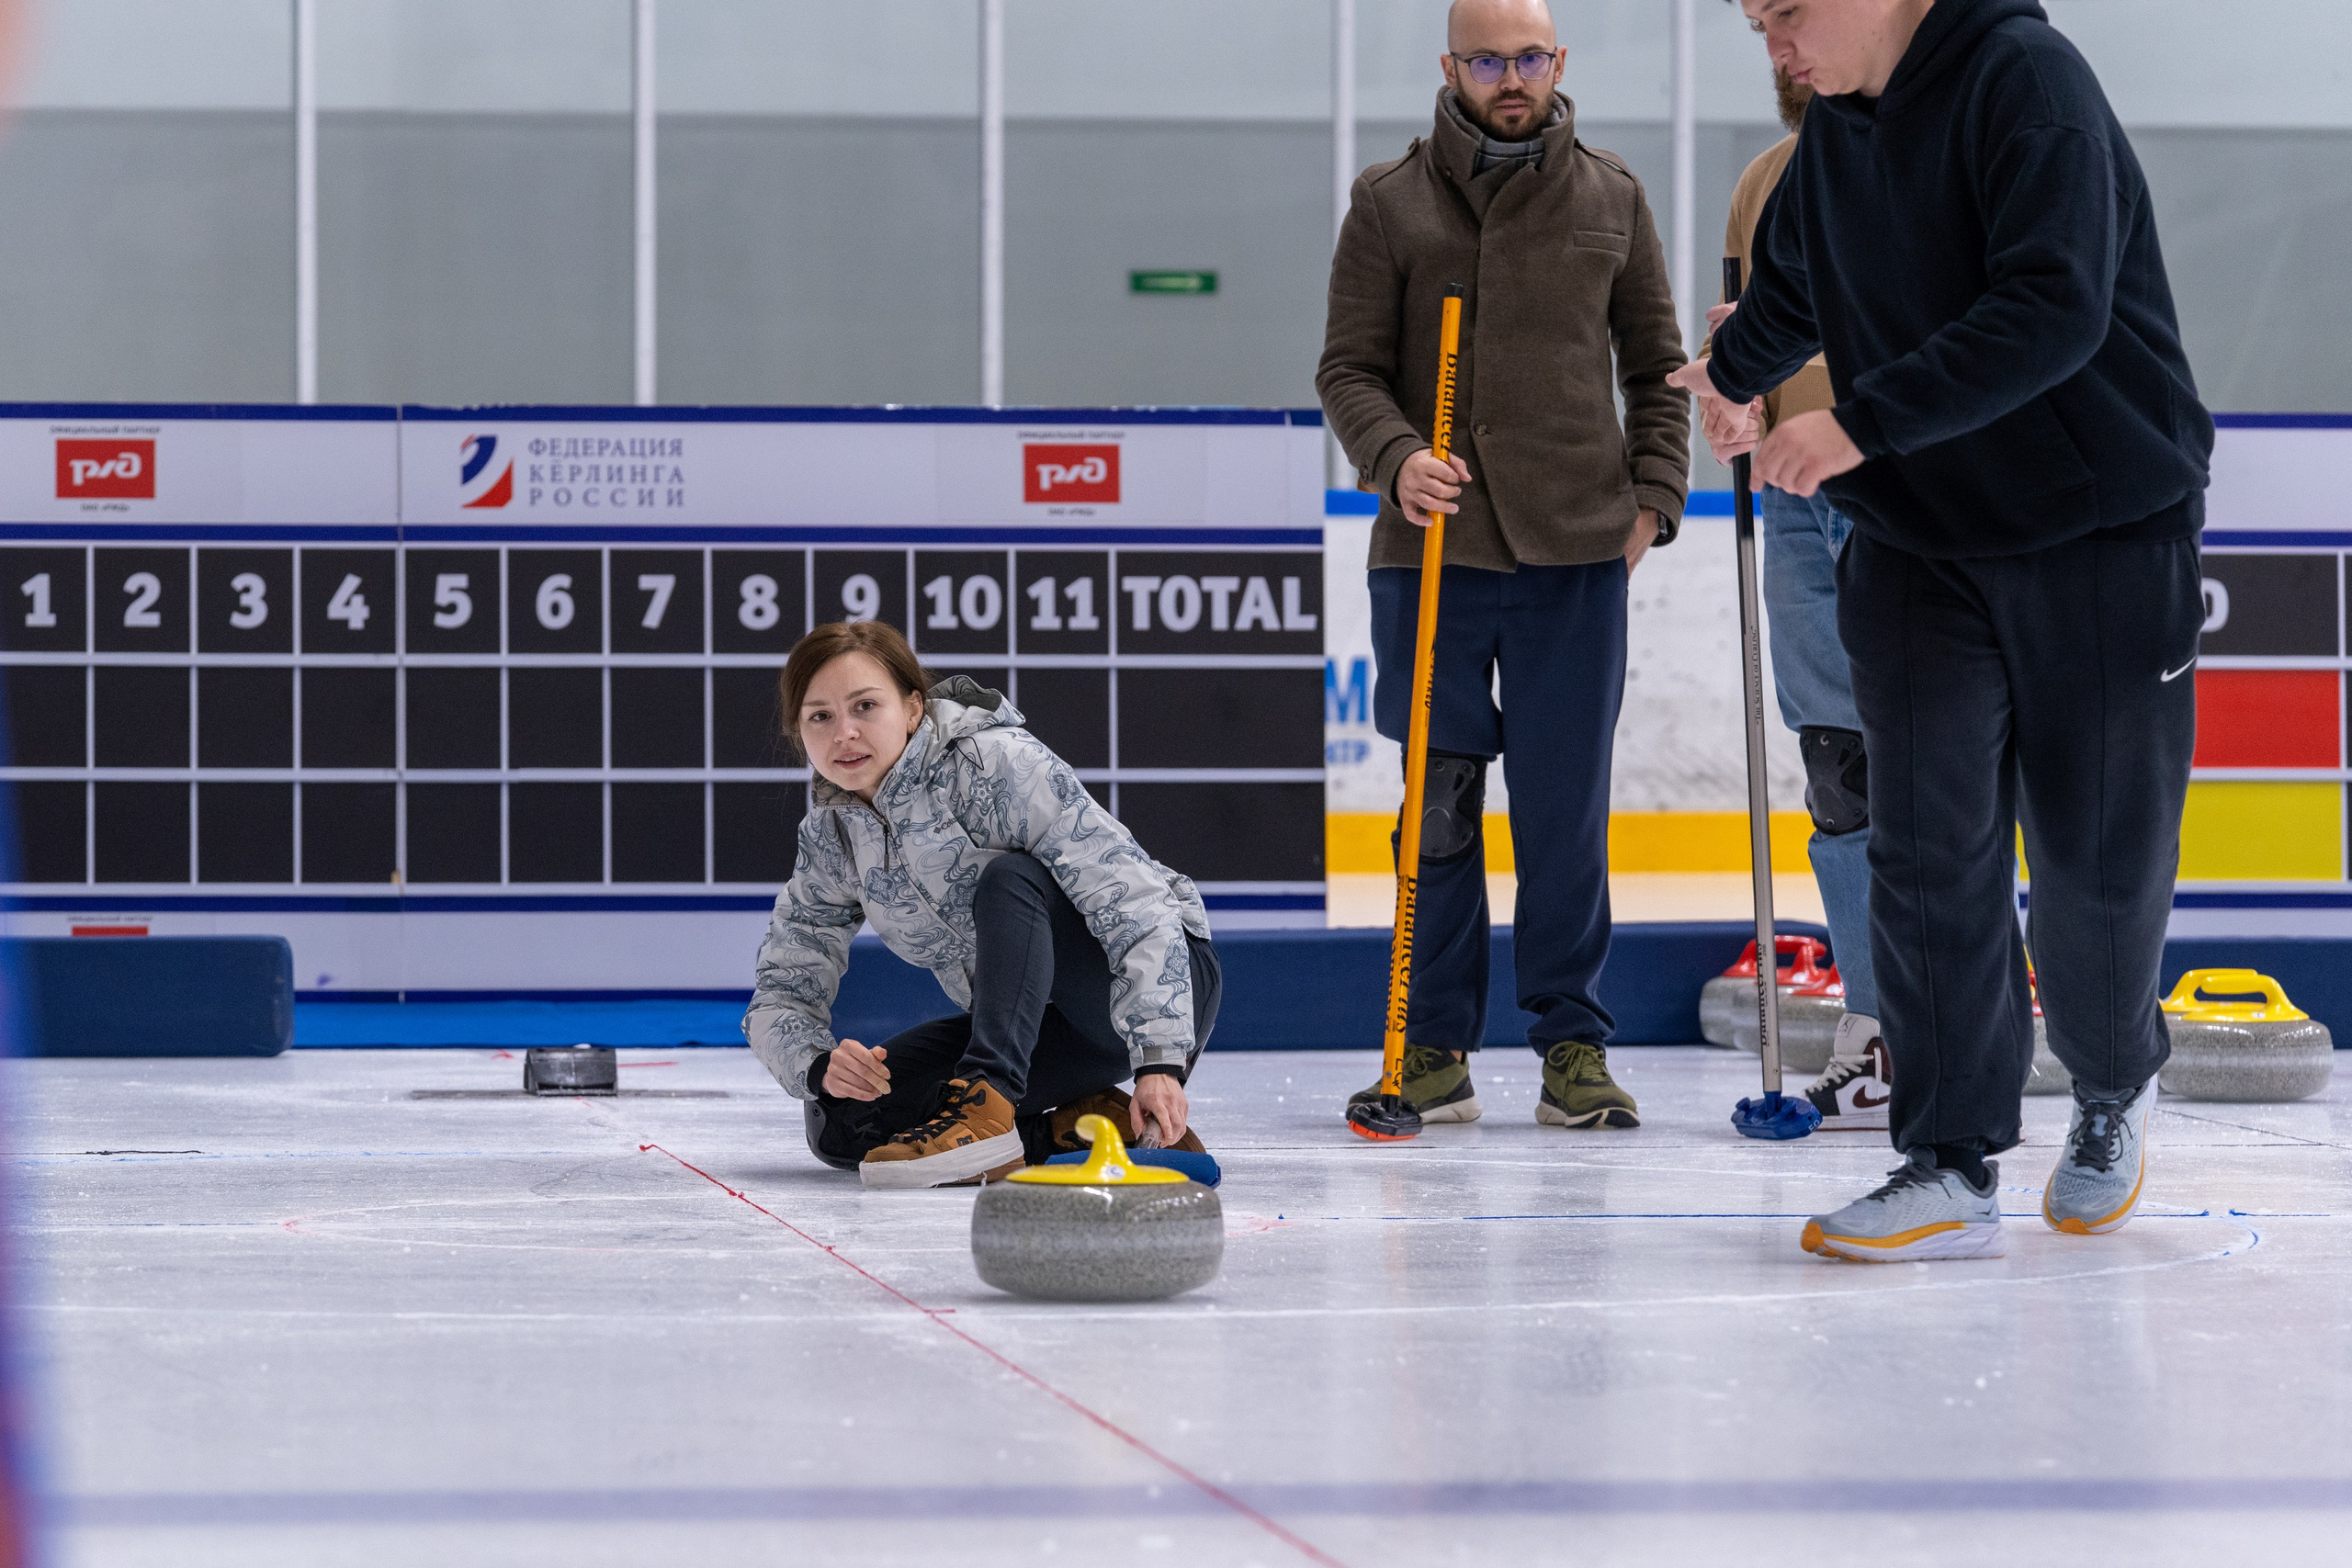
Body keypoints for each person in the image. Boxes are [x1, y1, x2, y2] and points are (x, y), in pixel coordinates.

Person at [1674, 0, 2212, 1259]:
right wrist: (1737, 374)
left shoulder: (2029, 84)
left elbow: (2054, 305)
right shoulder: (1841, 138)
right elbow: (1800, 277)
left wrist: (1859, 423)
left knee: (2090, 860)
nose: (1776, 49)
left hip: (2100, 526)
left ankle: (2109, 1082)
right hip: (1919, 536)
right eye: (1757, 25)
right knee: (1926, 850)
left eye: (1787, 14)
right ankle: (1949, 1151)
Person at [1319, 0, 1689, 1131]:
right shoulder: (1387, 201)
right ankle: (1430, 1046)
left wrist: (1653, 506)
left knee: (1563, 814)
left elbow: (1659, 368)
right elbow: (1348, 369)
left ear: (1558, 62)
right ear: (1451, 67)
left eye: (1529, 57)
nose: (1510, 77)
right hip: (1429, 555)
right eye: (1488, 59)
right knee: (1436, 804)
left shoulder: (1612, 195)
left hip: (1577, 553)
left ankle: (1572, 1045)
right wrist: (1393, 461)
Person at [741, 620, 1221, 1190]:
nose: (844, 733)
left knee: (1011, 879)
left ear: (913, 708)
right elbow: (782, 986)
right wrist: (819, 1065)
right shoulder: (831, 835)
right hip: (1038, 1027)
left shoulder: (993, 764)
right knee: (845, 1120)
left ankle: (988, 1112)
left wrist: (1161, 1060)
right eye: (820, 716)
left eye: (865, 706)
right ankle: (1077, 1127)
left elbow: (1135, 901)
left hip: (1149, 984)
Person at [1709, 52, 1891, 1129]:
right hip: (1787, 494)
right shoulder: (1764, 180)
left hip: (1894, 483)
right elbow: (1746, 336)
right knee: (1839, 768)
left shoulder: (1927, 165)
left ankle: (1961, 1017)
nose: (1785, 47)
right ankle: (1875, 1035)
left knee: (1933, 756)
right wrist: (1727, 397)